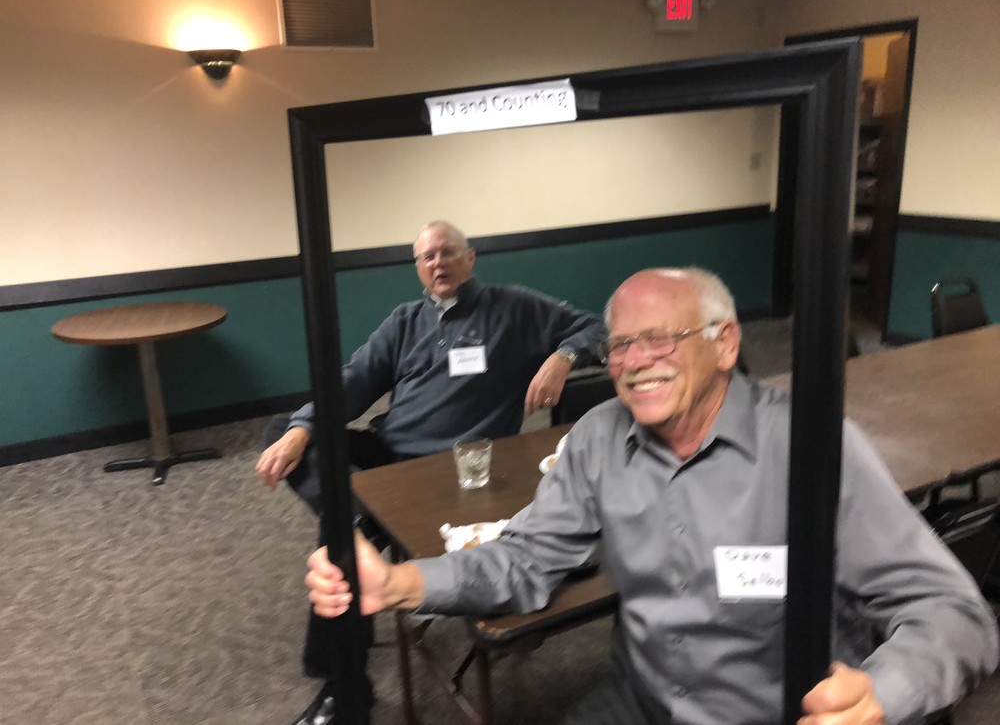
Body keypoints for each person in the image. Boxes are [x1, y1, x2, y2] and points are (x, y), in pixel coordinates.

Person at [306, 267, 1000, 724]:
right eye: (620, 345)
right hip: (644, 701)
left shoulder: (814, 447)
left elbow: (956, 613)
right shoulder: (596, 439)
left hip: (777, 711)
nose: (635, 361)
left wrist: (880, 693)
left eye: (660, 338)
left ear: (725, 344)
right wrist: (399, 583)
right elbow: (525, 559)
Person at [260, 220, 607, 725]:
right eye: (427, 257)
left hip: (451, 468)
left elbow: (597, 326)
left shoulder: (513, 308)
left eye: (447, 252)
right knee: (286, 430)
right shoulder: (406, 320)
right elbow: (355, 381)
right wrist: (303, 428)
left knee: (339, 543)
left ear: (470, 258)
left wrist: (562, 357)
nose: (438, 263)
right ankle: (357, 516)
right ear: (419, 268)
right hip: (387, 450)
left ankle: (345, 687)